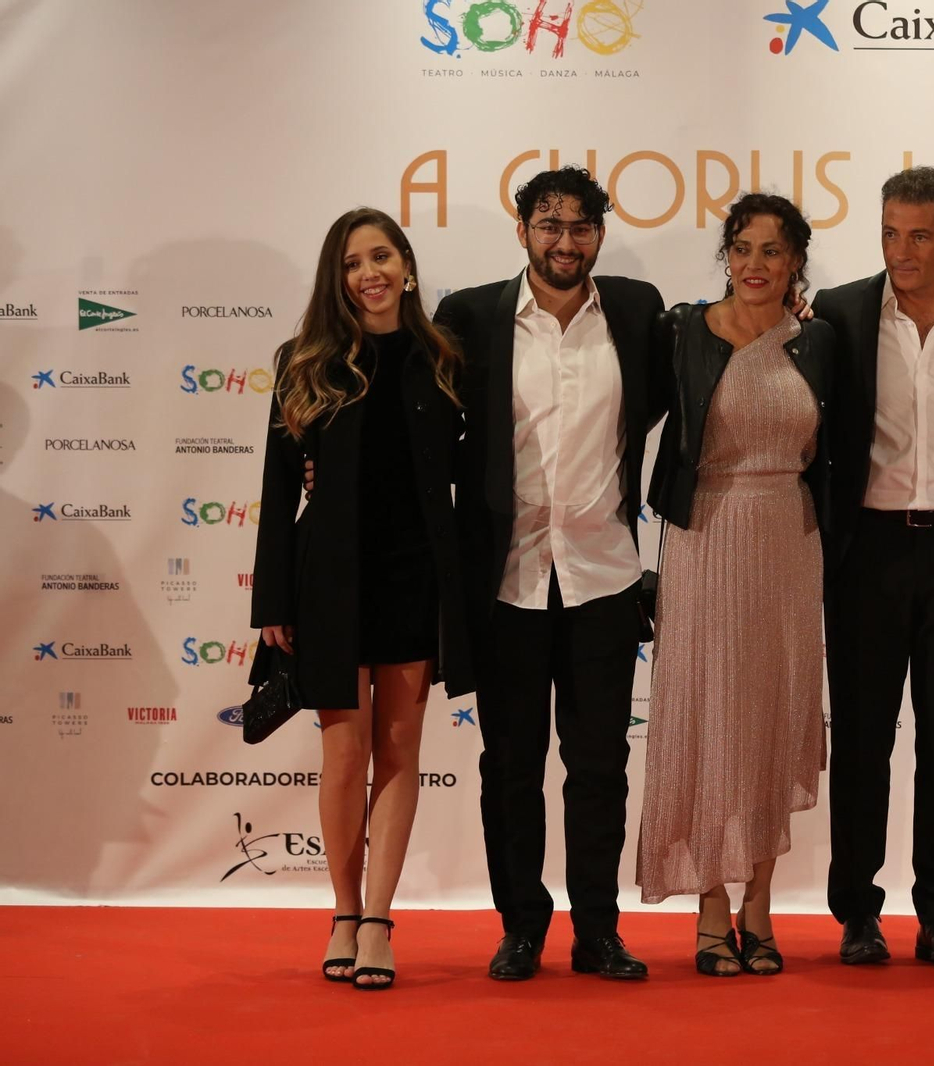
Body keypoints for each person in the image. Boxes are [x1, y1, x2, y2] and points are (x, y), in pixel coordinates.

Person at [436, 166, 666, 981]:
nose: (565, 241)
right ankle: (521, 927)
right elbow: (421, 424)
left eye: (580, 226)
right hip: (507, 584)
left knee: (600, 768)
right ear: (523, 229)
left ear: (599, 234)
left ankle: (599, 930)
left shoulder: (637, 313)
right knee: (511, 767)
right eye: (549, 224)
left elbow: (703, 379)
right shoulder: (468, 316)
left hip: (604, 577)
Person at [251, 207, 475, 990]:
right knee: (343, 756)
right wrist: (272, 598)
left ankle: (379, 920)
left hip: (414, 573)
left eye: (381, 257)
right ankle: (344, 912)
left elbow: (465, 472)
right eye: (352, 263)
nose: (368, 273)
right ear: (337, 278)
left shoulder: (442, 355)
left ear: (406, 267)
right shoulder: (305, 360)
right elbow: (280, 491)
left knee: (400, 751)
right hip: (330, 580)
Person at [811, 167, 934, 966]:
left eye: (920, 235)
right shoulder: (840, 315)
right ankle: (858, 912)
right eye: (890, 232)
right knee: (861, 739)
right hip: (868, 551)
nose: (902, 250)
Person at [636, 193, 834, 977]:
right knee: (711, 715)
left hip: (788, 540)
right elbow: (621, 419)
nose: (755, 266)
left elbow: (840, 445)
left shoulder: (818, 341)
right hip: (706, 536)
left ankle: (759, 907)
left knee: (770, 716)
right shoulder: (683, 330)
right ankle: (711, 910)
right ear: (727, 256)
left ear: (796, 263)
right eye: (743, 250)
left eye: (773, 252)